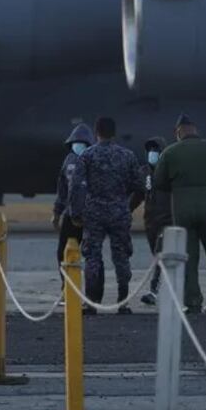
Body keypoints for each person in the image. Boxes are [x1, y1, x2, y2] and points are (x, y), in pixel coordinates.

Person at [153, 114, 206, 313]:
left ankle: (193, 302)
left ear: (178, 132)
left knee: (189, 259)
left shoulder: (170, 152)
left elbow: (159, 182)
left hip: (182, 210)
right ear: (195, 129)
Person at [69, 117, 142, 315]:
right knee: (121, 256)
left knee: (92, 256)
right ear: (114, 133)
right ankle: (123, 301)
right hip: (119, 211)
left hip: (94, 212)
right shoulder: (127, 156)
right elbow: (140, 186)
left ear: (96, 132)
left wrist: (76, 213)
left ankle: (91, 302)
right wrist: (128, 207)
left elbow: (76, 187)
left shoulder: (87, 155)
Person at [129, 137, 172, 306]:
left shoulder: (169, 171)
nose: (152, 153)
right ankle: (167, 285)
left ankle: (154, 290)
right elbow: (139, 194)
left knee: (160, 254)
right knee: (157, 254)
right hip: (150, 221)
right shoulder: (144, 172)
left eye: (156, 150)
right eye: (150, 150)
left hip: (167, 219)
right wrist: (127, 210)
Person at [52, 123, 94, 290]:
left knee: (92, 255)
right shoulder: (68, 161)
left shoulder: (95, 160)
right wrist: (57, 213)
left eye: (82, 143)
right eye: (76, 143)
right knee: (63, 252)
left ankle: (92, 294)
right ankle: (67, 287)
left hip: (90, 216)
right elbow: (62, 190)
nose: (78, 146)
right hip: (71, 215)